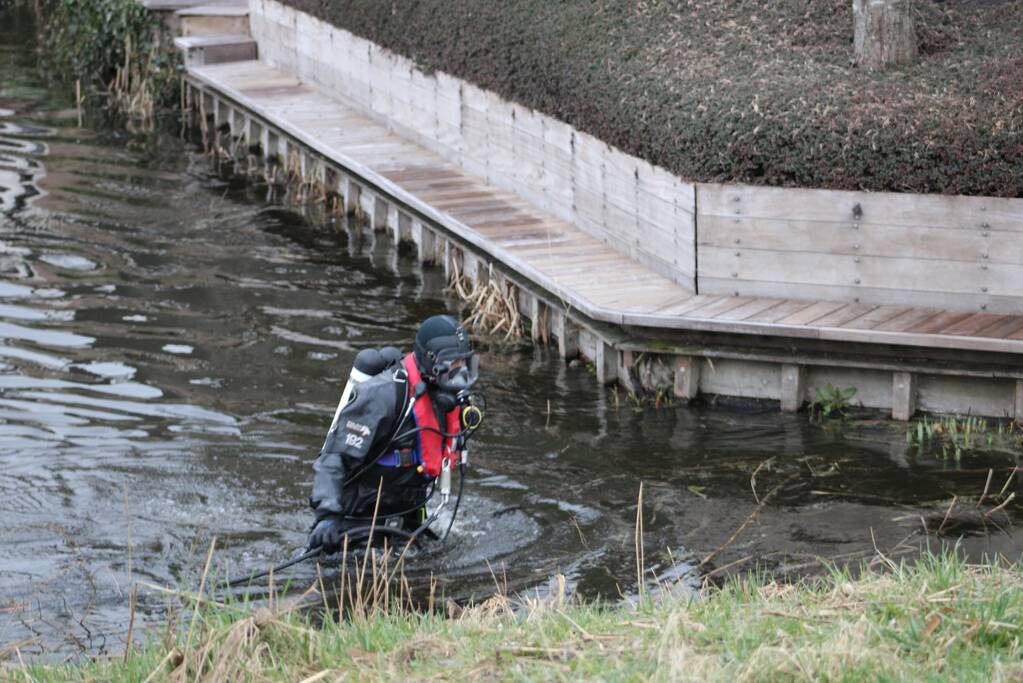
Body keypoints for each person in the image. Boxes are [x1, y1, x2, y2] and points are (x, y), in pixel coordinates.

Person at [306, 314, 482, 555]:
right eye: (453, 364)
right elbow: (333, 459)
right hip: (357, 521)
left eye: (464, 363)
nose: (460, 373)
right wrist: (327, 516)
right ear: (431, 362)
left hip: (406, 520)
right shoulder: (383, 396)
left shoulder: (449, 400)